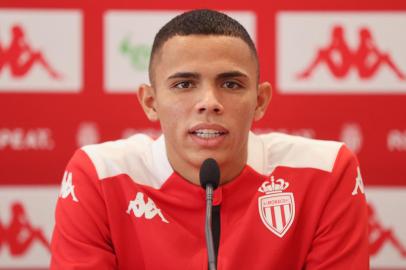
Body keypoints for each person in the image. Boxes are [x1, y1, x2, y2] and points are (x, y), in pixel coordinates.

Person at [50, 9, 369, 269]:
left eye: (230, 84)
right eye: (184, 84)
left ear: (260, 102)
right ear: (150, 102)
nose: (209, 102)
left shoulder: (327, 172)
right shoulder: (99, 175)